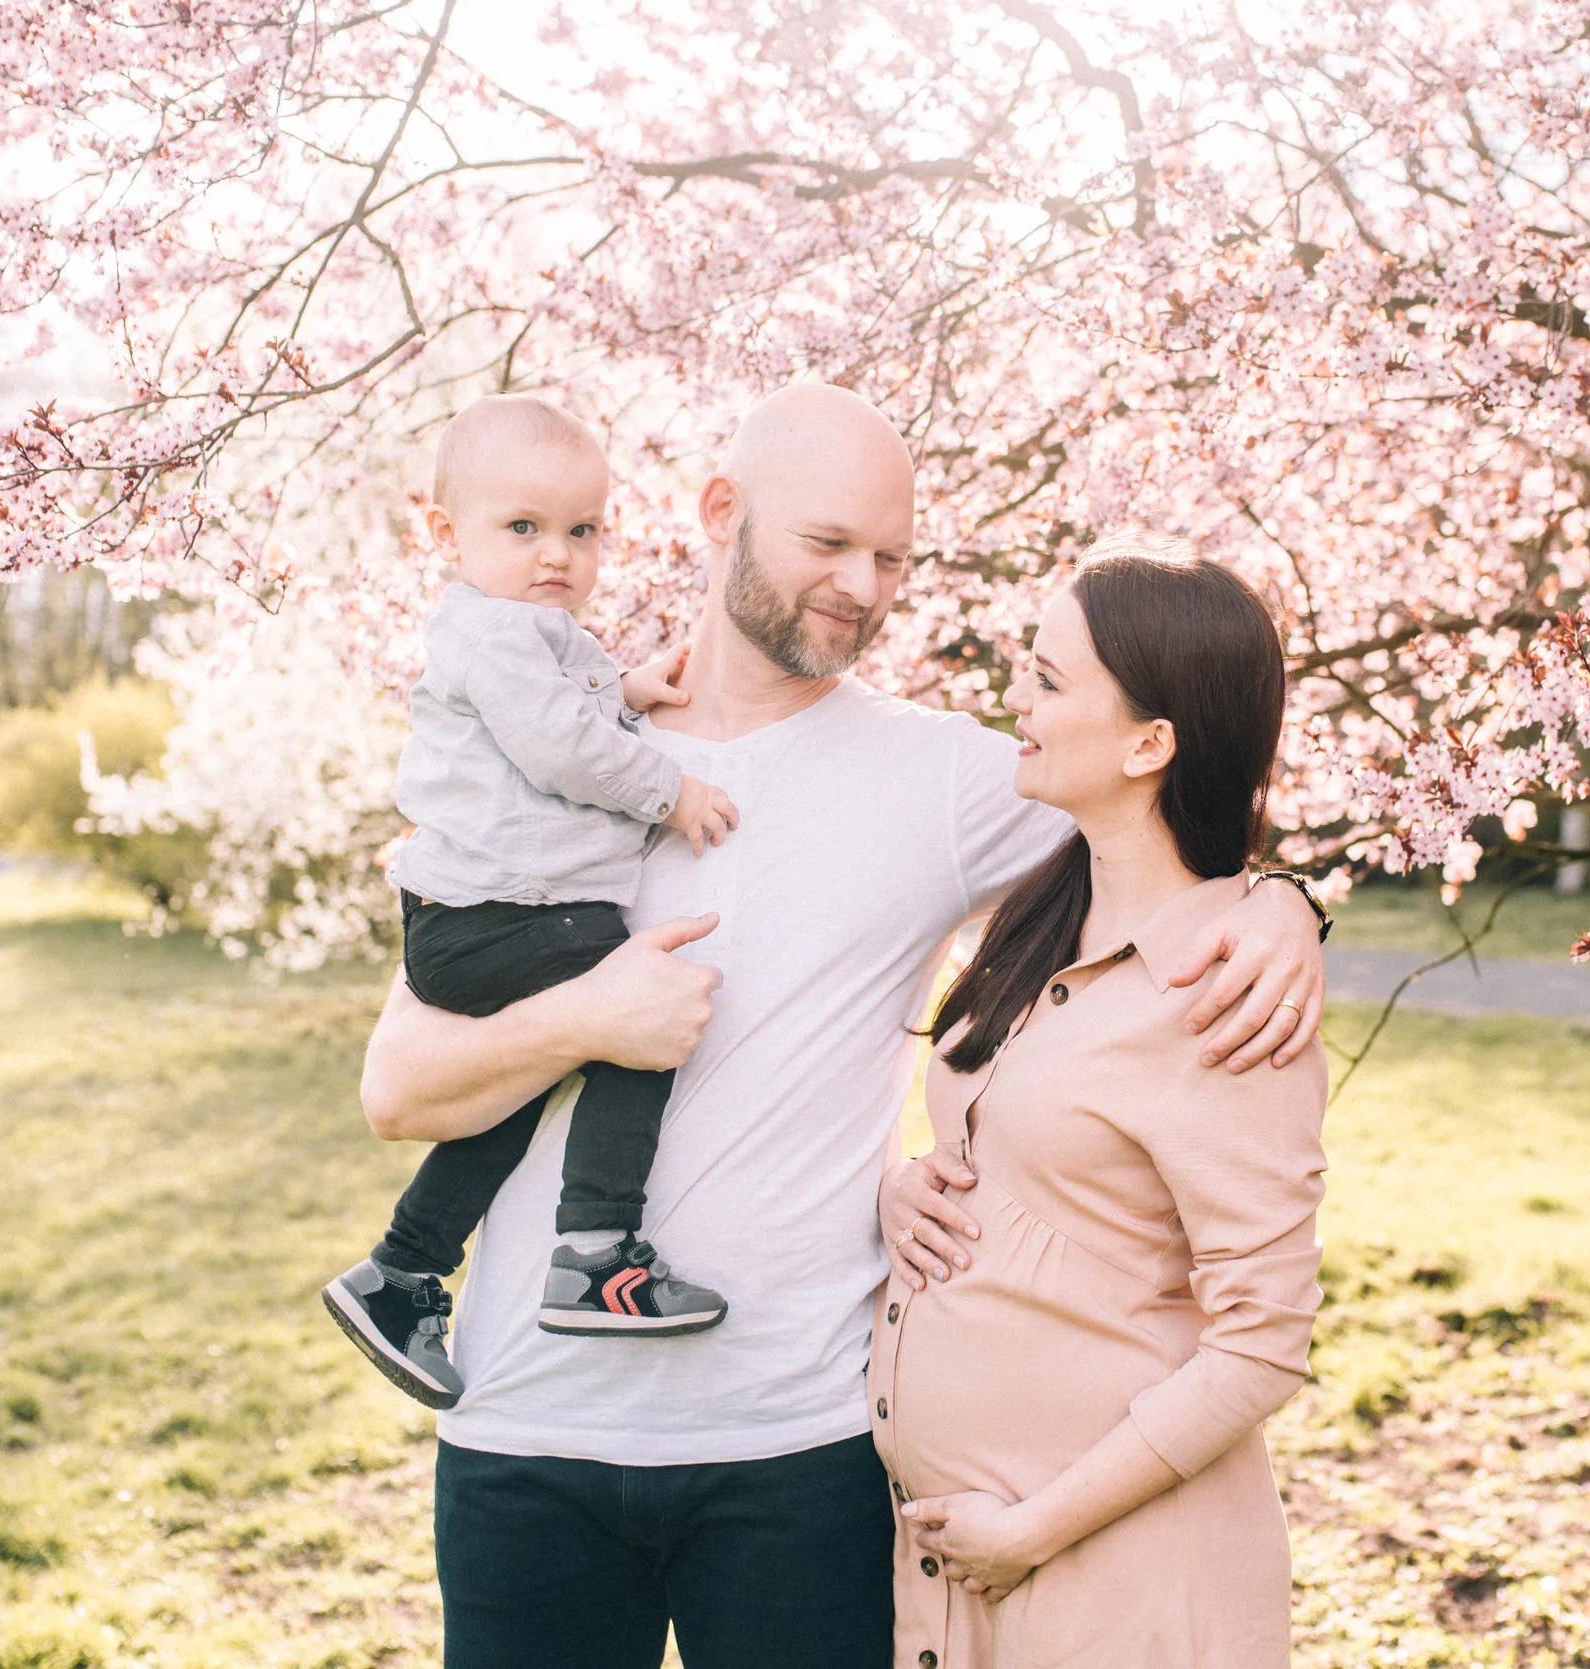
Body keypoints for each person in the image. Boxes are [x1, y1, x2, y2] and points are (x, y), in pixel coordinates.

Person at [356, 383, 1330, 1669]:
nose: (864, 587)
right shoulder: (559, 753)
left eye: (891, 557)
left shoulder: (942, 781)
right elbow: (401, 1093)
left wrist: (1280, 903)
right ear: (721, 513)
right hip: (525, 1430)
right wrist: (593, 1015)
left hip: (797, 1447)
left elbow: (1167, 804)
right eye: (828, 544)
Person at [872, 544, 1326, 1668]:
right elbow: (1013, 1153)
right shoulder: (1038, 920)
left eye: (1049, 680)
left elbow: (1263, 1344)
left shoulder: (1228, 995)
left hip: (1112, 1581)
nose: (1016, 702)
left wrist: (1031, 1529)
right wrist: (903, 1190)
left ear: (1149, 742)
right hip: (960, 1576)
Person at [322, 396, 745, 1414]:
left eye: (580, 530)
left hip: (482, 917)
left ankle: (401, 1270)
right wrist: (668, 789)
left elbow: (564, 712)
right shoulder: (497, 633)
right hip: (503, 914)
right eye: (522, 528)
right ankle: (598, 1250)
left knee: (512, 1093)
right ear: (443, 534)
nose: (556, 554)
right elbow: (556, 744)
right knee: (639, 1021)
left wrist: (630, 691)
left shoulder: (525, 630)